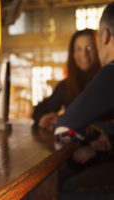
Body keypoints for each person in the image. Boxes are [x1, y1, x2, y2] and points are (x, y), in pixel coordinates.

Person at [55, 2, 114, 198]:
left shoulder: (111, 73)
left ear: (105, 36)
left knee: (60, 188)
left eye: (90, 46)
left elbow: (64, 127)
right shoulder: (66, 84)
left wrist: (95, 139)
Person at [32, 29, 101, 132]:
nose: (84, 54)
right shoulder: (66, 85)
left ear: (99, 49)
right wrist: (44, 119)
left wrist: (62, 121)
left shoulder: (107, 81)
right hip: (74, 146)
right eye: (78, 49)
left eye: (90, 48)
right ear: (72, 54)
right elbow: (39, 111)